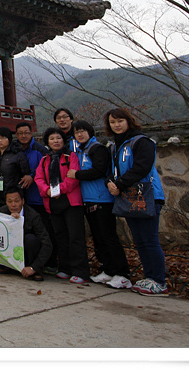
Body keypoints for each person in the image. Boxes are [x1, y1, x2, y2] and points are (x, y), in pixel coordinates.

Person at [104, 108, 168, 297]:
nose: (116, 125)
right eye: (112, 122)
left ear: (128, 121)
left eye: (120, 121)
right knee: (139, 240)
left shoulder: (141, 142)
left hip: (147, 196)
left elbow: (141, 168)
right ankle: (150, 277)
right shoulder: (115, 146)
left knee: (150, 239)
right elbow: (111, 170)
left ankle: (159, 281)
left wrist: (119, 184)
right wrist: (110, 182)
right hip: (128, 197)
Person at [67, 120, 132, 289]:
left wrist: (77, 174)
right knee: (97, 237)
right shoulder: (80, 151)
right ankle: (108, 270)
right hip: (88, 199)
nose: (80, 134)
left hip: (102, 199)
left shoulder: (97, 149)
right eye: (77, 132)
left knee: (108, 236)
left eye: (83, 131)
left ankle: (122, 274)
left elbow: (99, 170)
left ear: (90, 132)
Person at [34, 128, 89, 285]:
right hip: (52, 201)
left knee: (75, 236)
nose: (55, 141)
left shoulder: (71, 156)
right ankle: (65, 268)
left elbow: (73, 177)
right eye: (52, 139)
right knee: (60, 236)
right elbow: (39, 178)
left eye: (58, 138)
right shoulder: (44, 160)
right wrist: (48, 190)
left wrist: (58, 190)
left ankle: (80, 271)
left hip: (70, 202)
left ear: (63, 140)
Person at [12, 122, 55, 272]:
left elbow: (47, 168)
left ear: (32, 134)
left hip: (39, 197)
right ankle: (24, 262)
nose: (23, 136)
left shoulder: (40, 150)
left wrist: (32, 175)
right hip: (20, 198)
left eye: (26, 133)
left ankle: (48, 263)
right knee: (23, 233)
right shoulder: (14, 148)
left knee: (44, 231)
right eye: (20, 133)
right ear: (16, 135)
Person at [0, 187, 52, 281]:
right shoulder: (3, 212)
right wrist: (9, 222)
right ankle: (6, 266)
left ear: (23, 201)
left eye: (16, 201)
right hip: (11, 250)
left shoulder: (33, 216)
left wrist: (34, 267)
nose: (13, 205)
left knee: (30, 239)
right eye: (10, 201)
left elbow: (47, 244)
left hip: (28, 251)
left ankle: (34, 270)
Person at [0, 127, 30, 210]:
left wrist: (18, 188)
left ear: (9, 139)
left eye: (3, 138)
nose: (0, 141)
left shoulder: (17, 153)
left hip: (14, 193)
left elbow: (25, 173)